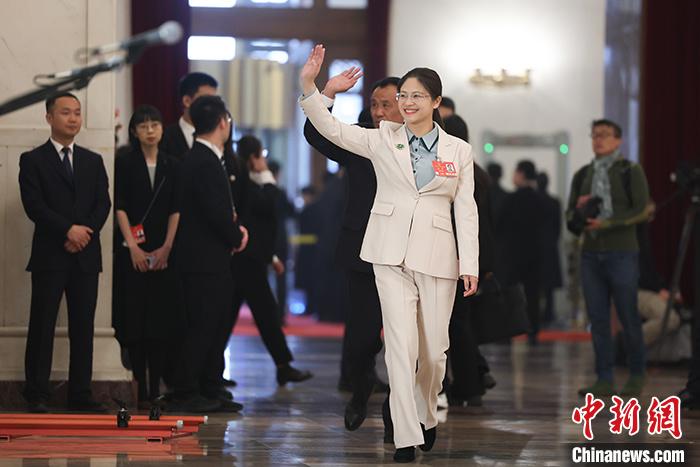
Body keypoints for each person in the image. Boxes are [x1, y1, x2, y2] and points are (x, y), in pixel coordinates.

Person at [299, 45, 479, 463]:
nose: (408, 102)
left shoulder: (458, 150)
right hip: (388, 253)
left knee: (433, 352)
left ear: (436, 102)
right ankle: (404, 437)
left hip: (438, 256)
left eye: (417, 96)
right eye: (404, 96)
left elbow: (466, 210)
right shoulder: (382, 139)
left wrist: (469, 264)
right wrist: (314, 86)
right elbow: (330, 129)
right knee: (400, 348)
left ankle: (426, 412)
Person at [304, 71, 400, 432]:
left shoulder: (421, 143)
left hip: (407, 254)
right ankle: (361, 387)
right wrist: (328, 92)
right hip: (364, 253)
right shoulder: (361, 139)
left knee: (405, 343)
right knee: (362, 338)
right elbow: (316, 134)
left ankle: (396, 416)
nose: (378, 112)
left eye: (386, 104)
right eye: (374, 105)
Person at [18, 92, 111, 413]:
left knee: (83, 327)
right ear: (49, 117)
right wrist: (67, 230)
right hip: (50, 254)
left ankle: (81, 394)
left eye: (77, 112)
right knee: (42, 324)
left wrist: (83, 233)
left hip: (86, 255)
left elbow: (103, 204)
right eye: (65, 112)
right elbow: (34, 206)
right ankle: (37, 393)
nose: (73, 118)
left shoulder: (93, 161)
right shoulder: (33, 160)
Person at [170, 95, 248, 413]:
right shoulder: (203, 160)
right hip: (203, 260)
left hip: (209, 257)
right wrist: (237, 235)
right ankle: (187, 390)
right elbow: (215, 212)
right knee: (202, 326)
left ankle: (209, 385)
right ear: (221, 122)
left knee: (214, 324)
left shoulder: (205, 157)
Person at [566, 118, 650, 397]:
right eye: (595, 135)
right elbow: (569, 216)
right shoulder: (583, 174)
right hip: (590, 254)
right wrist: (579, 213)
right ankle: (604, 377)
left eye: (605, 135)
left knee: (628, 315)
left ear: (618, 140)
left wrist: (608, 223)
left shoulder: (630, 171)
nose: (598, 139)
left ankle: (637, 374)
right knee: (598, 319)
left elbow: (642, 209)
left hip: (622, 252)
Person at [227, 135, 313, 385]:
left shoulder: (250, 184)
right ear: (254, 158)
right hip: (247, 261)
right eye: (261, 155)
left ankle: (281, 365)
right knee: (265, 313)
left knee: (235, 316)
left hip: (251, 259)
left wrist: (272, 256)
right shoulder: (248, 185)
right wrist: (266, 176)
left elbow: (263, 224)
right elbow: (268, 207)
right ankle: (283, 365)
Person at [114, 105, 182, 408]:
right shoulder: (125, 163)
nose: (150, 130)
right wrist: (133, 247)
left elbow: (176, 209)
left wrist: (166, 247)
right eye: (143, 126)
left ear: (162, 129)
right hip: (133, 253)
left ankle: (156, 389)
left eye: (155, 124)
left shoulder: (172, 164)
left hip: (163, 254)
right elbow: (120, 207)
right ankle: (139, 388)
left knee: (160, 324)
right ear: (134, 131)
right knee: (135, 323)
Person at [442, 114, 496, 408]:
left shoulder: (454, 171)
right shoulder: (478, 172)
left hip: (456, 256)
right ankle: (472, 379)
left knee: (453, 324)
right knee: (460, 322)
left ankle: (465, 384)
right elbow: (488, 224)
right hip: (472, 257)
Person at [497, 160, 545, 344]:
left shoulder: (511, 200)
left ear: (521, 174)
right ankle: (533, 332)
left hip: (512, 256)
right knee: (533, 295)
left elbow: (499, 226)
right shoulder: (541, 200)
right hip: (535, 256)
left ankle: (509, 332)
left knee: (510, 295)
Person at [160, 72, 218, 159]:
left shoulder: (217, 135)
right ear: (187, 101)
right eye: (206, 100)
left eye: (214, 100)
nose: (212, 106)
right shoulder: (164, 137)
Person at [536, 172, 563, 327]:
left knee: (534, 286)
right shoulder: (554, 202)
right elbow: (558, 227)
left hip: (534, 248)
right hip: (550, 247)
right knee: (549, 287)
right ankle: (549, 314)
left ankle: (535, 314)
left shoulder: (532, 201)